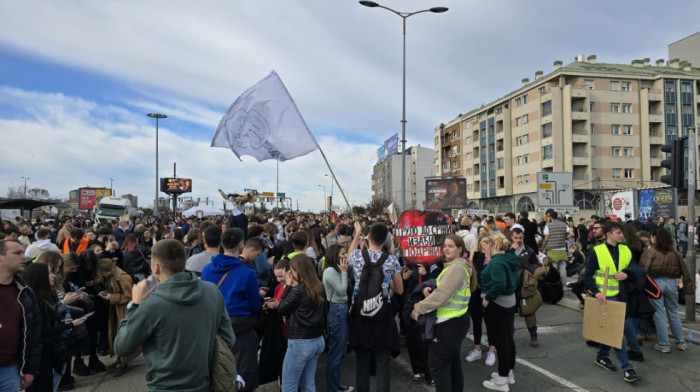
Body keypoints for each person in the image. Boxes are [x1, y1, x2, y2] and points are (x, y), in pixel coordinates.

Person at [113, 239, 235, 391]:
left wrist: (135, 305)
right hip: (203, 384)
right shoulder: (212, 291)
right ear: (184, 263)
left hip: (164, 387)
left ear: (156, 267)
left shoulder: (151, 306)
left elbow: (121, 347)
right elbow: (228, 339)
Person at [412, 234, 475, 392]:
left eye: (451, 246)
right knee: (452, 365)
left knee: (439, 368)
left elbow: (441, 296)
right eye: (445, 245)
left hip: (449, 324)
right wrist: (431, 288)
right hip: (454, 321)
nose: (446, 249)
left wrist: (418, 308)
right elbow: (443, 289)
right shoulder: (456, 266)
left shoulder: (456, 268)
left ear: (460, 249)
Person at [201, 228, 260, 392]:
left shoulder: (207, 270)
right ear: (241, 246)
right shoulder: (247, 273)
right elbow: (255, 305)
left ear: (221, 244)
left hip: (215, 326)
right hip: (241, 327)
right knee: (243, 373)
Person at [348, 222, 403, 392]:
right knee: (383, 364)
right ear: (385, 241)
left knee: (362, 364)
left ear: (368, 237)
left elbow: (348, 256)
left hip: (360, 315)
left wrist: (357, 234)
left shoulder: (357, 256)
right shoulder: (391, 260)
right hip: (382, 317)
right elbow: (399, 289)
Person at [582, 221, 641, 383]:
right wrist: (597, 292)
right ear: (608, 234)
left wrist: (627, 275)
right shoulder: (597, 251)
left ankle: (602, 356)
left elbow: (636, 270)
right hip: (606, 299)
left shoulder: (625, 249)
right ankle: (627, 368)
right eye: (618, 232)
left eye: (621, 232)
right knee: (615, 333)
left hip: (623, 297)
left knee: (613, 331)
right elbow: (587, 276)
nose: (622, 235)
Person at [22, 262, 88, 392]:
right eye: (49, 273)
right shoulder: (34, 301)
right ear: (39, 277)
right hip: (41, 356)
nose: (54, 276)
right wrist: (70, 324)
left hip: (52, 352)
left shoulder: (46, 296)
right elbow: (41, 330)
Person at [640, 228, 694, 353]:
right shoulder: (675, 253)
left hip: (655, 284)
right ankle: (680, 342)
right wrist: (689, 288)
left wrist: (641, 287)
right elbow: (685, 271)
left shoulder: (650, 252)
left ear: (654, 238)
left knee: (659, 314)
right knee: (673, 313)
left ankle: (664, 344)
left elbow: (643, 271)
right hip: (671, 283)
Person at [278, 254, 326, 392]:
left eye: (292, 270)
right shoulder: (319, 287)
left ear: (297, 271)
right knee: (308, 384)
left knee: (289, 387)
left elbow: (281, 309)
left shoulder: (298, 290)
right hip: (317, 340)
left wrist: (288, 286)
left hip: (300, 342)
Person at [0, 240, 42, 392]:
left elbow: (34, 333)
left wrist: (30, 370)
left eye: (23, 253)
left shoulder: (25, 292)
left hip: (10, 369)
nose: (24, 257)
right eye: (17, 253)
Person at [480, 233, 519, 391]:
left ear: (491, 244)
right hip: (509, 301)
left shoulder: (497, 262)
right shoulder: (508, 258)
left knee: (501, 341)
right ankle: (507, 372)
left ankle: (502, 380)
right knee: (508, 338)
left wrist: (488, 298)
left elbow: (499, 283)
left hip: (497, 304)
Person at [96, 257, 138, 377]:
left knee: (121, 335)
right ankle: (120, 360)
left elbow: (130, 296)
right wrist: (107, 293)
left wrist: (111, 297)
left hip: (124, 310)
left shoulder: (123, 277)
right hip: (117, 309)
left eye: (102, 272)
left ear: (107, 270)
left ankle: (123, 362)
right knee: (116, 334)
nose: (101, 275)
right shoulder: (112, 276)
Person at [322, 244, 354, 392]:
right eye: (342, 254)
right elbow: (341, 291)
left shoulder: (335, 270)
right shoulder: (329, 271)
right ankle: (333, 388)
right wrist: (343, 273)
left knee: (340, 352)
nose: (345, 257)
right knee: (335, 353)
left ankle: (336, 384)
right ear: (335, 256)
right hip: (337, 310)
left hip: (341, 310)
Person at [511, 228, 542, 347]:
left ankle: (533, 335)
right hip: (512, 286)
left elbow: (535, 264)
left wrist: (534, 274)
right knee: (510, 314)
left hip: (526, 286)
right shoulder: (508, 250)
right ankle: (510, 337)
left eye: (520, 238)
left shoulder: (529, 250)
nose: (518, 240)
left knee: (529, 311)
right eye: (516, 238)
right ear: (511, 238)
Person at [541, 211, 571, 283]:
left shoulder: (548, 225)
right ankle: (564, 283)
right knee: (563, 267)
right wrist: (565, 237)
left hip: (552, 248)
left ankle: (555, 282)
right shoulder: (563, 224)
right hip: (562, 248)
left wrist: (543, 245)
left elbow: (546, 238)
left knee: (553, 267)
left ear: (551, 217)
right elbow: (572, 233)